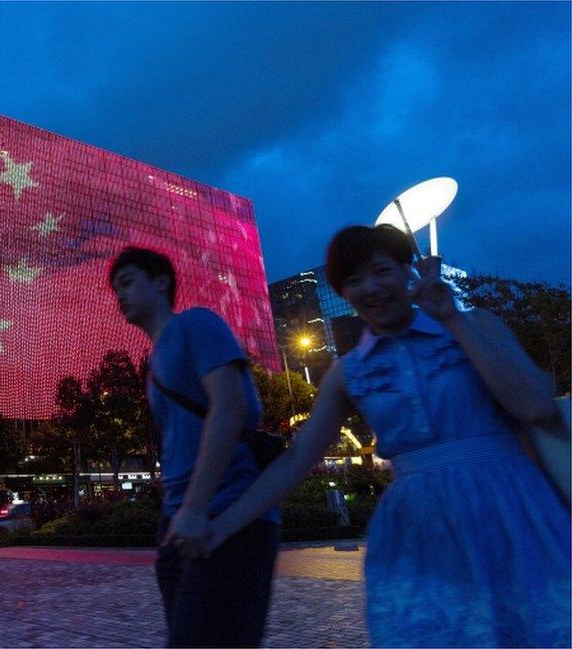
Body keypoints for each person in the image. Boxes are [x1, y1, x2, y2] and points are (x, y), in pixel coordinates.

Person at [197, 224, 571, 647]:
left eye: (381, 271)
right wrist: (221, 524)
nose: (370, 287)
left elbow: (535, 405)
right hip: (419, 532)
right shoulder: (348, 373)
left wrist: (451, 318)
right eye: (353, 280)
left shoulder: (473, 325)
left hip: (512, 510)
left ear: (407, 271)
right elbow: (297, 460)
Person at [109, 246, 278, 648]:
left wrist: (196, 506)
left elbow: (232, 406)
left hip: (229, 513)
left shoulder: (196, 325)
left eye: (128, 282)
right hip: (179, 521)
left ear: (161, 283)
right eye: (116, 289)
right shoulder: (152, 366)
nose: (120, 296)